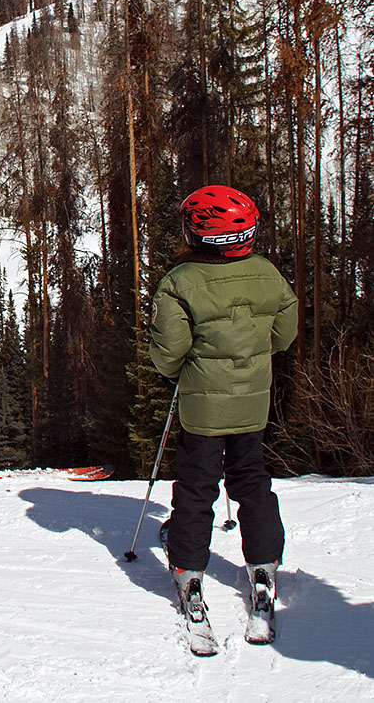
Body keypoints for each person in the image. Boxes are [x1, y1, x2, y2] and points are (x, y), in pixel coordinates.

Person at [149, 185, 297, 634]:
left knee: (197, 487)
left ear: (197, 234)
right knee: (251, 479)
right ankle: (264, 561)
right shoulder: (268, 275)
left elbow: (168, 352)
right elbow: (284, 333)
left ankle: (189, 570)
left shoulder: (179, 282)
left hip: (202, 408)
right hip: (253, 401)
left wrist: (184, 370)